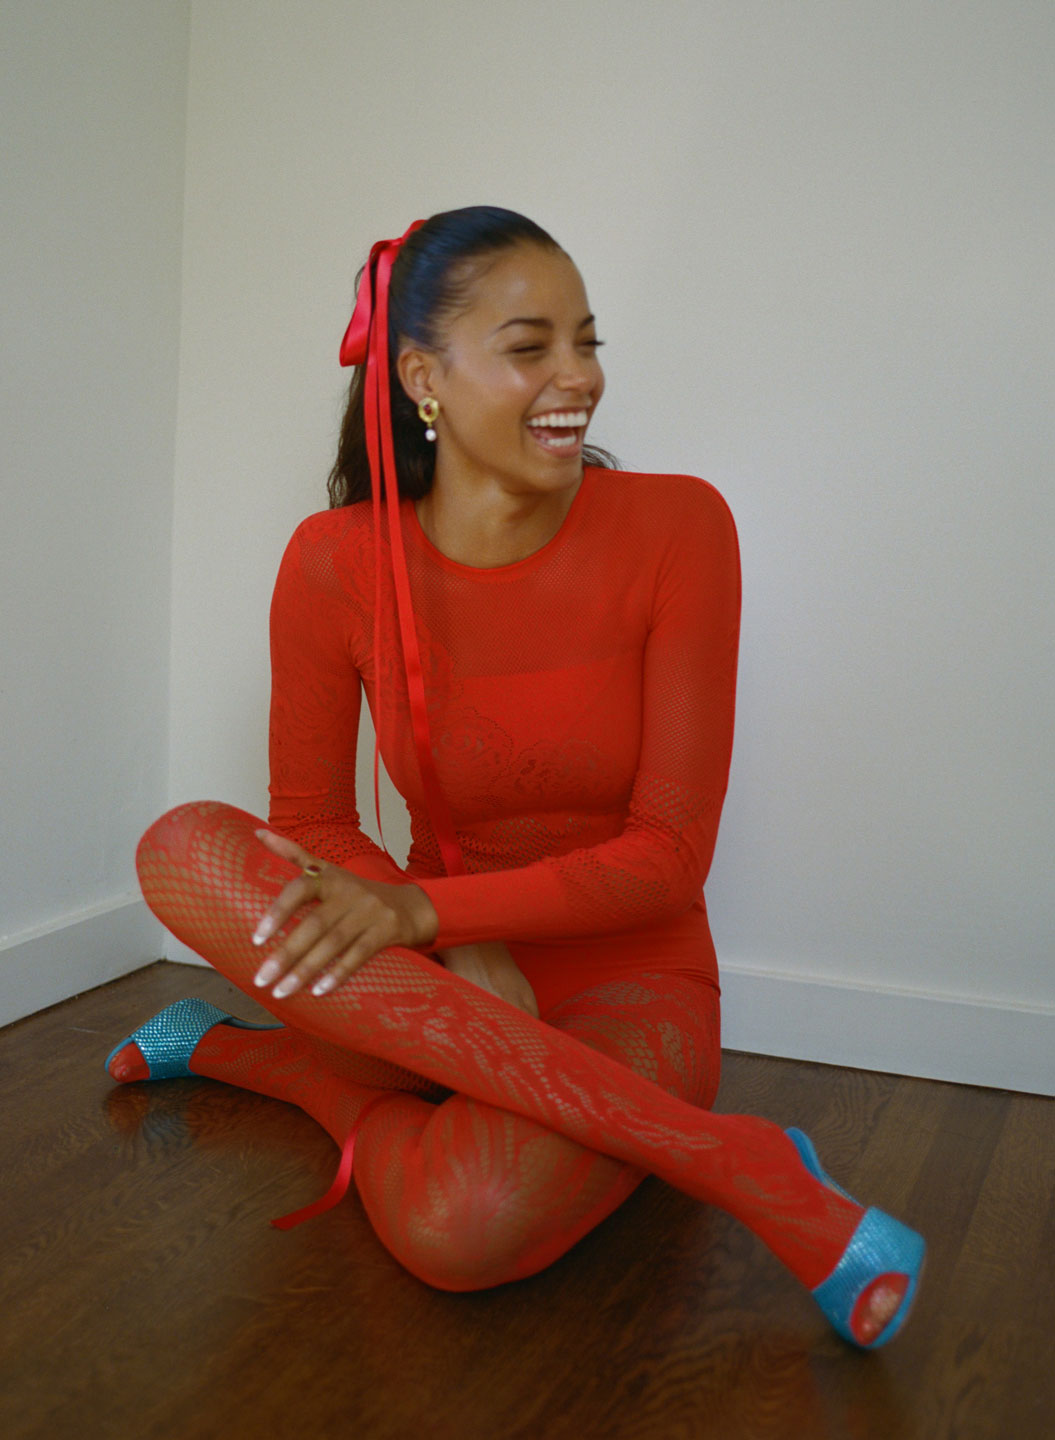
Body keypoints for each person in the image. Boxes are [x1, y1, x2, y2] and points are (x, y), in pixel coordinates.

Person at [106, 206, 924, 1348]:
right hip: (425, 985)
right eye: (532, 346)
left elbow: (666, 858)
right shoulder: (333, 561)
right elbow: (312, 825)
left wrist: (430, 905)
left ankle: (282, 1068)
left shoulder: (678, 527)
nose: (577, 378)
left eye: (588, 343)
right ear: (421, 377)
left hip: (625, 986)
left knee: (463, 1226)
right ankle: (735, 1165)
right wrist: (439, 941)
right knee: (180, 846)